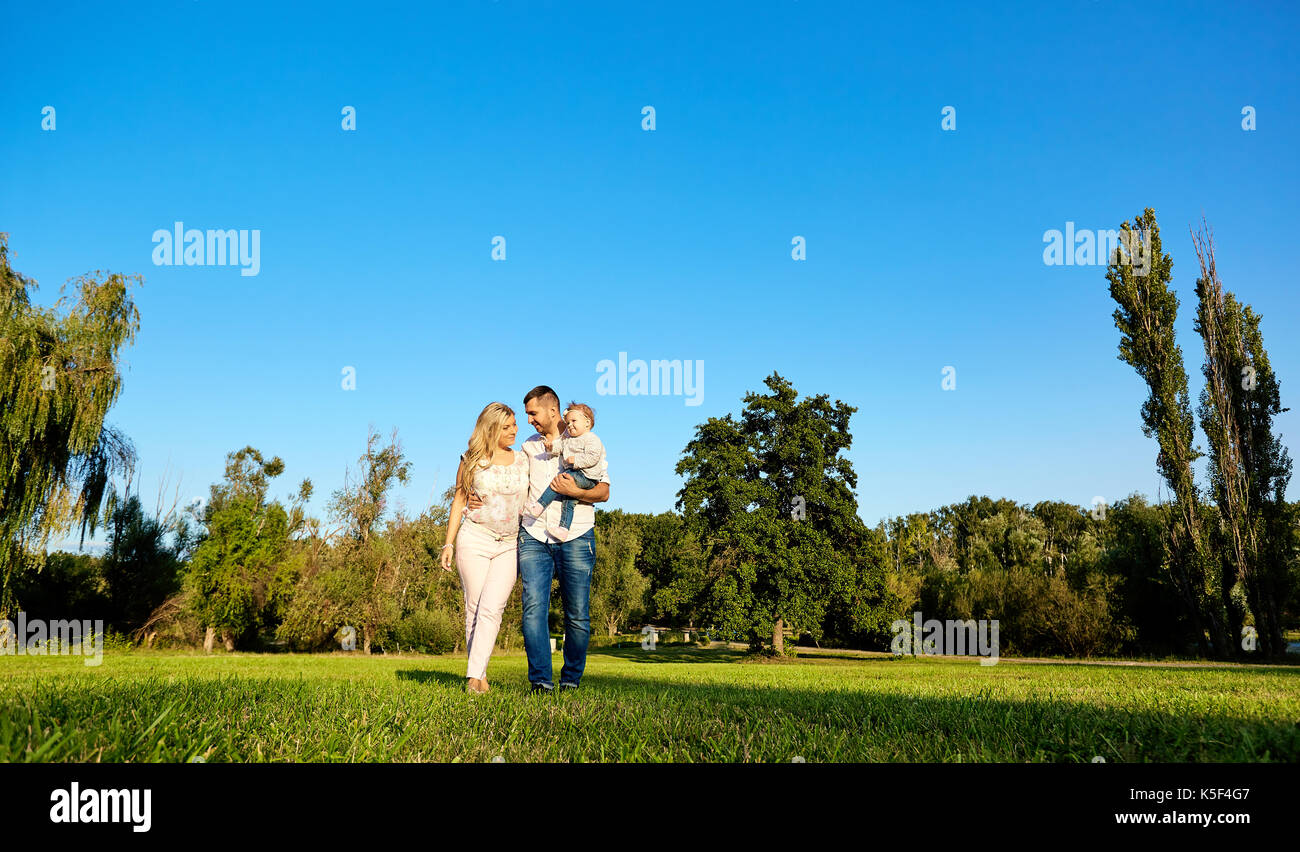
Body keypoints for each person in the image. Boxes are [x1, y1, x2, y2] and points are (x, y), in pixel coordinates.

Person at [471, 385, 610, 693]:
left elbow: (604, 491)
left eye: (533, 413)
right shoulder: (529, 447)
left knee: (577, 614)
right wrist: (475, 495)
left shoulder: (585, 441)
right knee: (533, 609)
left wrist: (577, 492)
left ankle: (571, 679)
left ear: (552, 410)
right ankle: (541, 682)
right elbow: (504, 476)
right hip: (533, 535)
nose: (530, 421)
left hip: (577, 535)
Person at [441, 402, 529, 694]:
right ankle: (478, 678)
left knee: (493, 607)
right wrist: (448, 543)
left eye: (515, 424)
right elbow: (459, 500)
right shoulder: (471, 460)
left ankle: (474, 675)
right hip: (474, 538)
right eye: (507, 427)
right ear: (491, 429)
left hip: (509, 543)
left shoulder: (524, 458)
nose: (514, 430)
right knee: (475, 608)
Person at [523, 401, 606, 541]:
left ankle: (539, 505)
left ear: (587, 422)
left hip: (587, 476)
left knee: (560, 480)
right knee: (569, 503)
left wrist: (576, 460)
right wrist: (550, 448)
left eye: (574, 421)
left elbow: (593, 457)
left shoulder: (592, 439)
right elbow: (560, 447)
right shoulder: (568, 439)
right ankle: (563, 529)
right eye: (568, 422)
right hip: (534, 532)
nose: (570, 425)